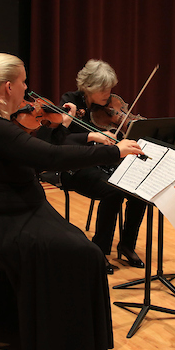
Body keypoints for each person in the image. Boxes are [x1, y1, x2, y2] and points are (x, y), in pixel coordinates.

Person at [0, 53, 144, 350]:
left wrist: (66, 127)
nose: (27, 89)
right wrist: (113, 151)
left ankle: (61, 336)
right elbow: (50, 158)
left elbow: (45, 147)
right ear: (8, 87)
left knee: (78, 248)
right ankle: (70, 347)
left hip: (4, 211)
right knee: (84, 254)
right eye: (23, 82)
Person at [57, 59, 148, 273]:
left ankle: (127, 244)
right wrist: (91, 136)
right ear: (89, 88)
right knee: (112, 192)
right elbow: (61, 140)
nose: (109, 93)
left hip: (102, 162)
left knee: (138, 188)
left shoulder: (107, 108)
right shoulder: (69, 102)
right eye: (104, 89)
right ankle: (99, 250)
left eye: (110, 88)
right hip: (74, 166)